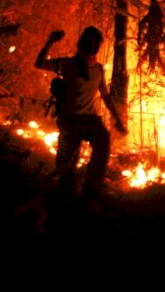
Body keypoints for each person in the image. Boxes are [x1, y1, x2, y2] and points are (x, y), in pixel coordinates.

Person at [35, 26, 128, 206]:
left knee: (103, 141)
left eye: (96, 44)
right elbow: (40, 63)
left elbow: (106, 97)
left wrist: (117, 120)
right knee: (65, 164)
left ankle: (91, 189)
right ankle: (66, 195)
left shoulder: (98, 70)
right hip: (70, 121)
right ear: (82, 43)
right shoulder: (66, 64)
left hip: (90, 120)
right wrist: (51, 41)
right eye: (90, 43)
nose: (93, 47)